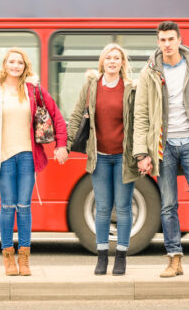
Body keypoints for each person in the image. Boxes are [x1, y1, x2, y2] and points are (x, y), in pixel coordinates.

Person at [133, 21, 189, 278]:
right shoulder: (149, 72)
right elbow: (141, 114)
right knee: (168, 205)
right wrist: (142, 152)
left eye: (171, 39)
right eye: (162, 40)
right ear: (158, 42)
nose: (167, 44)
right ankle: (174, 259)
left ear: (179, 39)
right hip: (164, 147)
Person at [0, 47, 67, 276]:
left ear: (24, 66)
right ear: (5, 64)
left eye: (19, 62)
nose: (15, 66)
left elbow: (55, 114)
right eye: (11, 62)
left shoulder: (33, 89)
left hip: (28, 154)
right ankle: (8, 258)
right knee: (8, 206)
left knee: (24, 207)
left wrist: (61, 144)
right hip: (4, 157)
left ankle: (25, 259)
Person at [67, 43, 139, 276]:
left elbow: (139, 122)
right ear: (102, 61)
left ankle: (121, 257)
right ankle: (101, 257)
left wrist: (141, 154)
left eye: (116, 58)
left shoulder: (130, 88)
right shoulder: (91, 86)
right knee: (103, 208)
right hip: (99, 158)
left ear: (122, 63)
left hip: (123, 158)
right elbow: (78, 114)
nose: (112, 61)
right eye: (108, 57)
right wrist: (65, 145)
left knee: (124, 207)